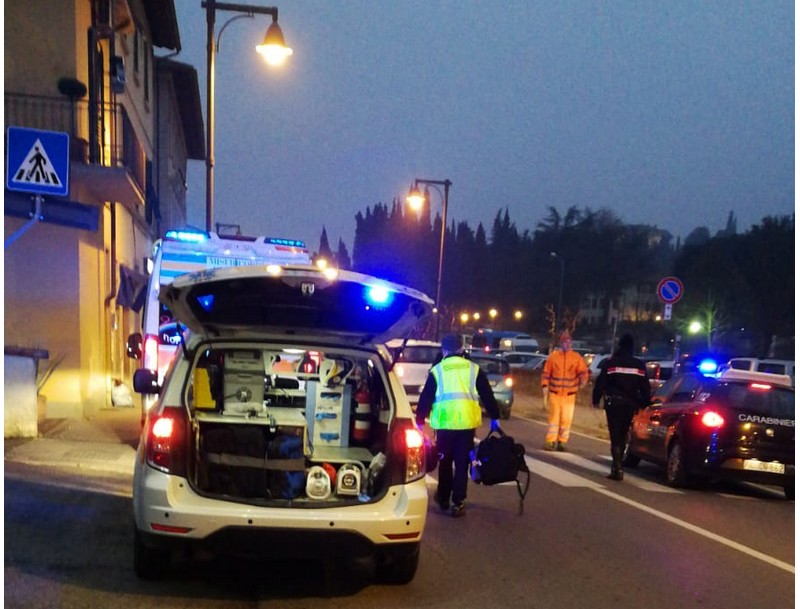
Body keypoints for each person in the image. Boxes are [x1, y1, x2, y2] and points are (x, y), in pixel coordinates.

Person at [415, 333, 502, 518]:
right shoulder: (473, 369)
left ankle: (443, 498)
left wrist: (420, 421)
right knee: (462, 463)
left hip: (445, 424)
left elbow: (426, 397)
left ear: (444, 350)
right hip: (466, 425)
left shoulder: (438, 370)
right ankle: (458, 502)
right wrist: (495, 417)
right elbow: (487, 394)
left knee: (445, 462)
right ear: (461, 348)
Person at [592, 333, 652, 480]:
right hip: (630, 405)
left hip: (613, 404)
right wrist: (644, 403)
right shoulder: (639, 365)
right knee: (624, 433)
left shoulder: (611, 363)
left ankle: (617, 466)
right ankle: (619, 464)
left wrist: (596, 399)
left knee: (615, 434)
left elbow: (601, 383)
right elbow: (645, 388)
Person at [541, 330, 589, 451]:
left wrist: (583, 380)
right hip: (555, 393)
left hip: (569, 395)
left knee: (566, 420)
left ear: (571, 343)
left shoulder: (576, 358)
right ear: (561, 343)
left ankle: (562, 441)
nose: (567, 344)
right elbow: (546, 373)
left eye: (568, 342)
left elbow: (583, 372)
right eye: (564, 342)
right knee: (554, 418)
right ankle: (551, 440)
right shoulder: (554, 357)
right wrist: (545, 386)